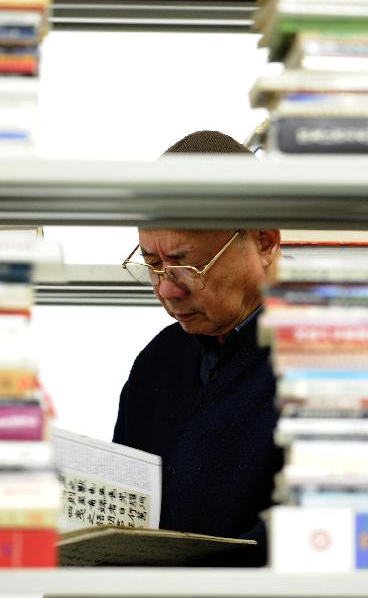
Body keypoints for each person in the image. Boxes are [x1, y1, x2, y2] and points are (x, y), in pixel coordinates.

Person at [113, 130, 284, 566]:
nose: (167, 290)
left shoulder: (329, 357)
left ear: (263, 241)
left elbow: (332, 535)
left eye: (187, 266)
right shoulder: (157, 364)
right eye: (152, 265)